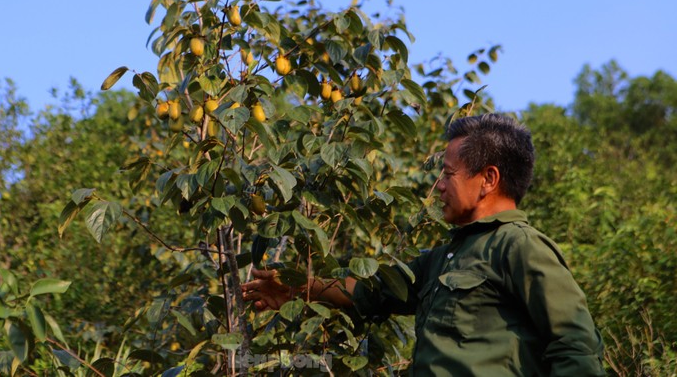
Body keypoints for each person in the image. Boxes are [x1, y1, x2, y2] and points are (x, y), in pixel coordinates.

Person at [242, 113, 605, 376]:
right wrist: (300, 288)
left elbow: (575, 345)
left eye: (448, 174)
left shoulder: (520, 247)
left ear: (488, 179)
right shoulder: (444, 257)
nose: (440, 186)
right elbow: (371, 291)